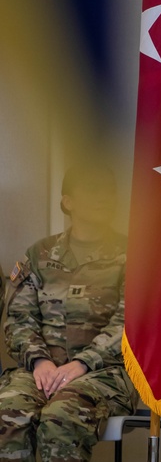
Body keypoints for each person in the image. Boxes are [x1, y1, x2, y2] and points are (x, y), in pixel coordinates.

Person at [0, 163, 137, 461]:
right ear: (68, 201)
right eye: (93, 190)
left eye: (109, 191)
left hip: (104, 373)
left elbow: (132, 322)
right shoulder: (39, 255)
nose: (104, 197)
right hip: (40, 371)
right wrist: (39, 363)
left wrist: (82, 364)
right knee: (8, 413)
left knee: (60, 418)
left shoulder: (133, 255)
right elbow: (18, 319)